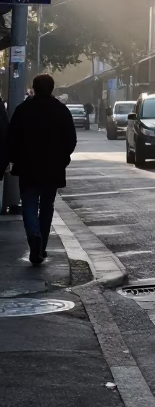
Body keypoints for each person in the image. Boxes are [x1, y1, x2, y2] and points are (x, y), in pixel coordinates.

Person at [7, 74, 77, 265]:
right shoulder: (61, 110)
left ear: (34, 89)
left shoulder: (23, 110)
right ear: (52, 88)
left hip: (28, 167)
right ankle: (42, 244)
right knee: (46, 207)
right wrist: (63, 158)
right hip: (52, 168)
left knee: (29, 205)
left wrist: (14, 159)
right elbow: (71, 139)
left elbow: (11, 139)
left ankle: (34, 236)